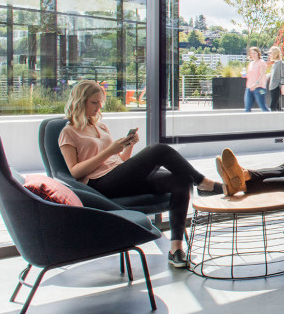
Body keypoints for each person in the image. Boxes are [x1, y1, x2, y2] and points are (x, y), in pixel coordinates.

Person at [58, 80, 222, 268]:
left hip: (119, 175)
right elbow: (74, 172)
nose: (99, 107)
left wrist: (128, 146)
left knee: (181, 179)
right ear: (81, 101)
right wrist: (109, 151)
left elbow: (119, 161)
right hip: (101, 183)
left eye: (101, 102)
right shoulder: (68, 132)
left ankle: (176, 249)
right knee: (159, 150)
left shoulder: (100, 127)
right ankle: (204, 183)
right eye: (94, 102)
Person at [244, 46, 269, 112]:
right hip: (249, 87)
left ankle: (271, 118)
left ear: (258, 53)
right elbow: (250, 75)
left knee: (263, 106)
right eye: (251, 53)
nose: (253, 55)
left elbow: (262, 74)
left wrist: (255, 84)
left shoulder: (262, 62)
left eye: (254, 53)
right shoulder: (251, 63)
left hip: (259, 87)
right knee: (247, 108)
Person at [267, 46, 284, 112]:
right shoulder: (274, 64)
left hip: (276, 86)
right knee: (277, 106)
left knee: (273, 105)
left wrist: (283, 86)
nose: (269, 55)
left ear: (275, 53)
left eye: (270, 53)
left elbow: (283, 75)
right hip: (272, 87)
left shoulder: (280, 63)